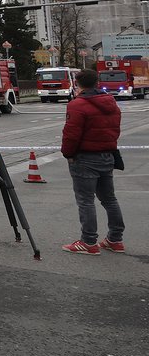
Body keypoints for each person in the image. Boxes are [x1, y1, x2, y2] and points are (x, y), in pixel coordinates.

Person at [60, 69, 125, 255]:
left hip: (85, 158)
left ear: (78, 84)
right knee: (109, 199)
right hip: (107, 155)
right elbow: (115, 129)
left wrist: (68, 154)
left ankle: (88, 241)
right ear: (97, 82)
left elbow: (71, 134)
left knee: (86, 200)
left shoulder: (77, 105)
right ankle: (115, 239)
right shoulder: (111, 103)